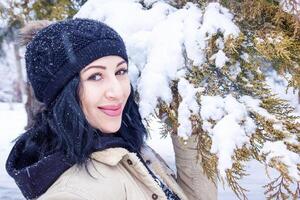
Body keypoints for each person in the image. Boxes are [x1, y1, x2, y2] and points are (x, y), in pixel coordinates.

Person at [6, 18, 217, 200]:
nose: (117, 91)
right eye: (95, 76)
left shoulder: (122, 148)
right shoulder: (75, 193)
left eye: (120, 71)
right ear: (61, 93)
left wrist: (187, 127)